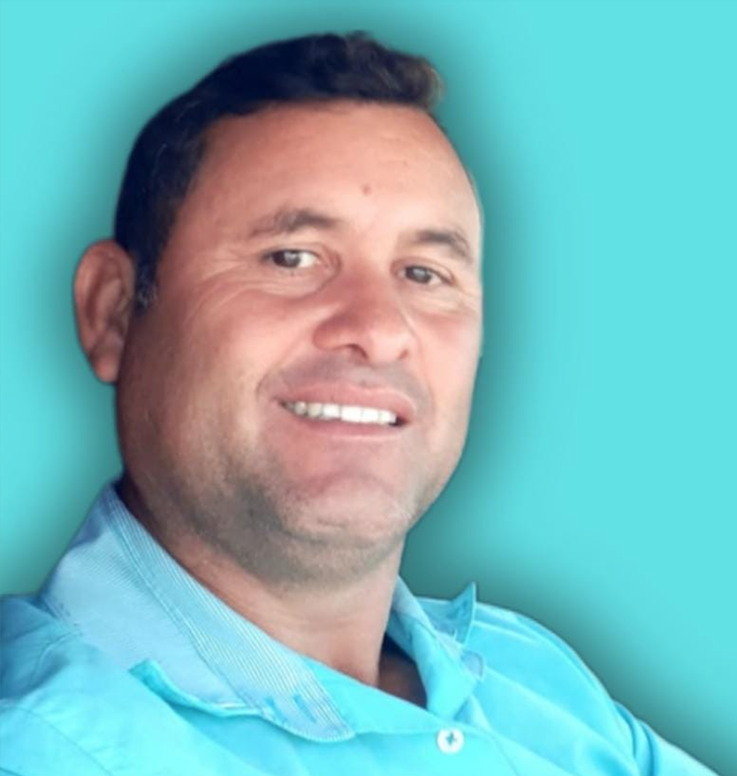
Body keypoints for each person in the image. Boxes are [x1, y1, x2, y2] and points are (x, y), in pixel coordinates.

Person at [0, 31, 717, 776]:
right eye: (292, 258)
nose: (379, 330)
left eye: (424, 273)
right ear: (114, 312)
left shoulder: (531, 677)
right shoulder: (40, 748)